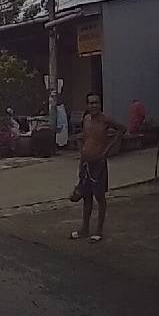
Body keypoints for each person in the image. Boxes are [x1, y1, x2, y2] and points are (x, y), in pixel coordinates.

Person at [70, 92, 125, 242]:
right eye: (91, 103)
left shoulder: (105, 119)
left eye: (96, 102)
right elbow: (85, 137)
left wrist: (107, 151)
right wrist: (81, 153)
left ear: (100, 104)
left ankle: (99, 230)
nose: (93, 105)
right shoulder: (86, 119)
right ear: (87, 105)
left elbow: (122, 129)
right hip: (85, 163)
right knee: (86, 196)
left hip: (98, 164)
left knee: (99, 196)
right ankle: (84, 229)